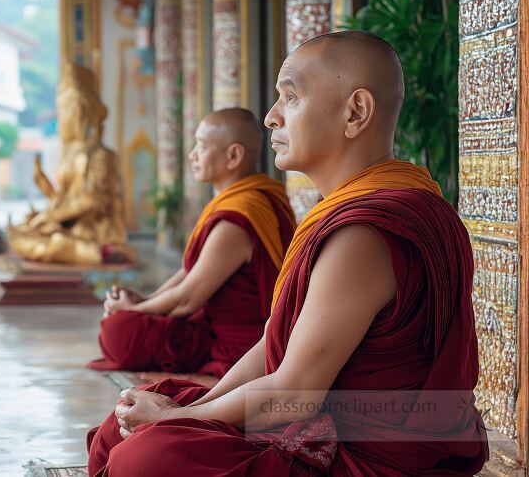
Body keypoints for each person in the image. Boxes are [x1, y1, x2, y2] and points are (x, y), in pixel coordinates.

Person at [86, 30, 488, 476]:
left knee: (146, 457)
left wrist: (169, 421)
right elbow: (272, 343)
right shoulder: (364, 206)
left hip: (358, 451)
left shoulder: (364, 233)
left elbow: (295, 392)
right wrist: (195, 407)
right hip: (315, 419)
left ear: (355, 112)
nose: (271, 118)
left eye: (290, 97)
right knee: (128, 423)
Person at [87, 108, 296, 378]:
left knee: (118, 329)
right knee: (121, 323)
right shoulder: (247, 200)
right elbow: (189, 271)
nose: (192, 155)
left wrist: (134, 310)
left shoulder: (237, 220)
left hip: (238, 344)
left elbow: (187, 298)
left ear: (233, 155)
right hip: (212, 324)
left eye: (203, 145)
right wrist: (147, 301)